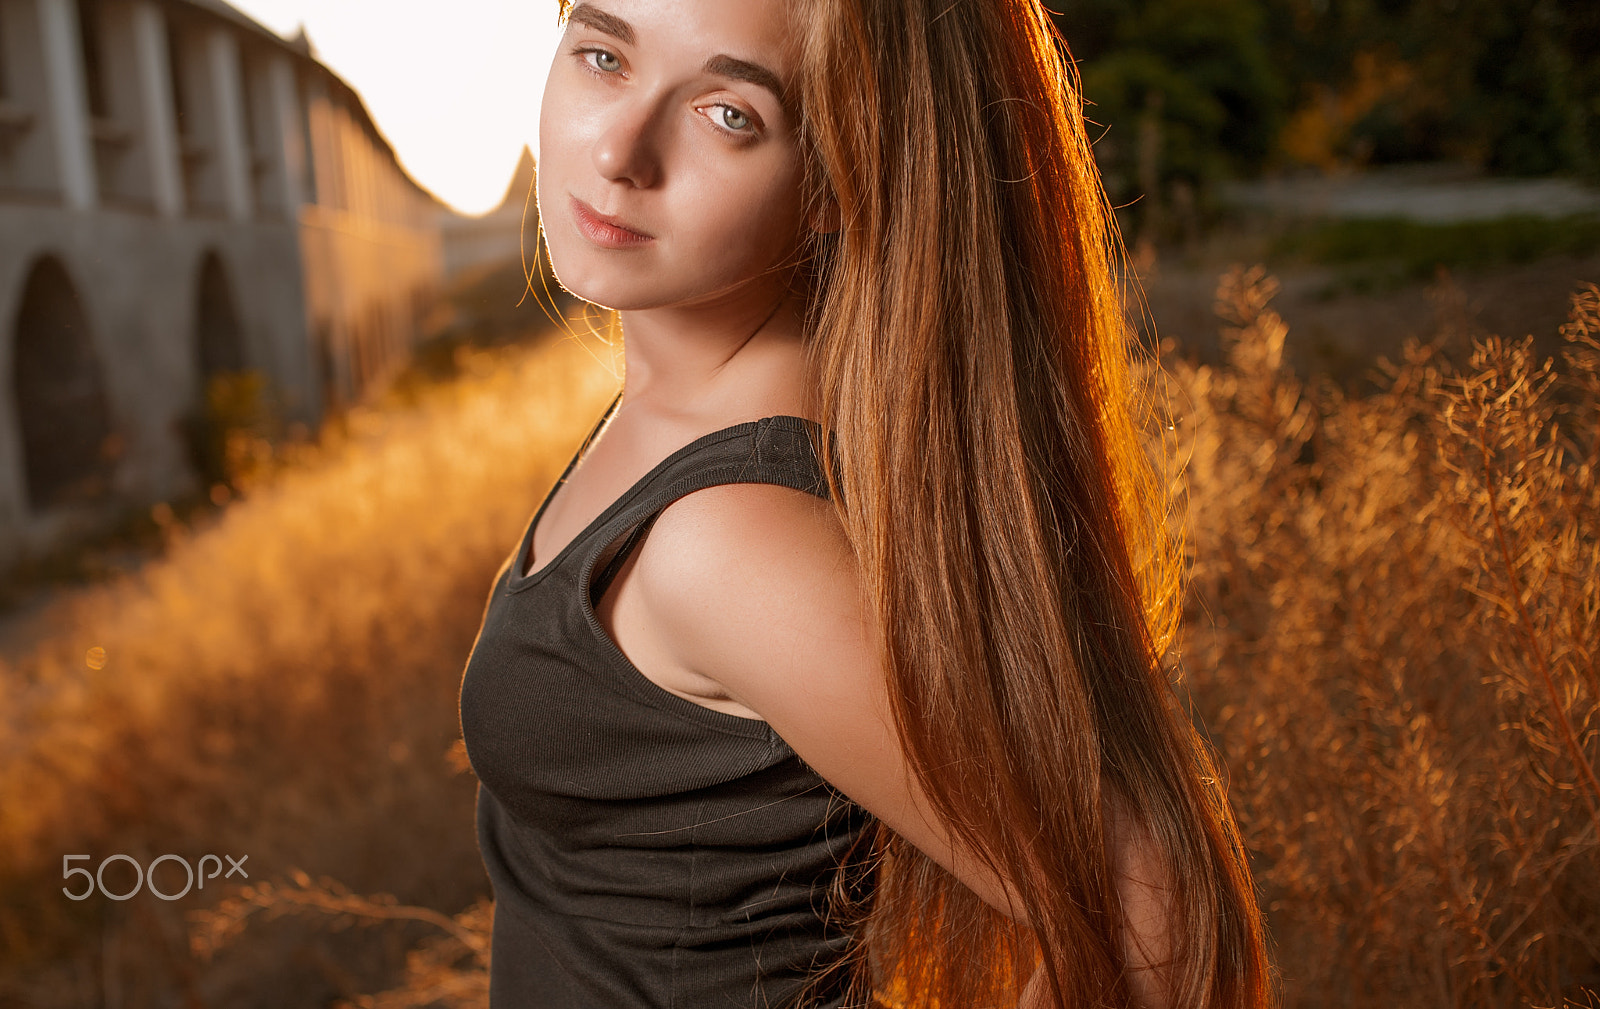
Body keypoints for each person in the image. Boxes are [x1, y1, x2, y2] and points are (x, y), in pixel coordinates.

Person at [457, 0, 1275, 1006]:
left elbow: (1157, 901)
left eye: (730, 115)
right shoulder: (676, 409)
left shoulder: (730, 541)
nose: (619, 149)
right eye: (601, 54)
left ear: (836, 184)